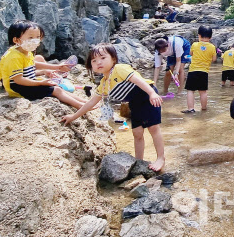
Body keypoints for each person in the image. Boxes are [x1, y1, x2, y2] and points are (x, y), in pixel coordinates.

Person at [62, 43, 165, 171]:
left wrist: (152, 93)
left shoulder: (119, 69)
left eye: (103, 58)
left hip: (147, 95)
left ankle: (160, 158)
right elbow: (90, 103)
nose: (99, 62)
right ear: (91, 65)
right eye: (94, 60)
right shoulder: (104, 84)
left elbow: (139, 81)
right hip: (135, 102)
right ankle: (139, 161)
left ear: (113, 59)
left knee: (153, 128)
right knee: (137, 132)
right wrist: (73, 116)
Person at [0, 20, 86, 108]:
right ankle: (80, 106)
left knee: (56, 87)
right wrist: (40, 83)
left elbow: (33, 64)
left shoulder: (24, 50)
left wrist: (57, 67)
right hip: (18, 88)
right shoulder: (14, 57)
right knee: (56, 90)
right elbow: (18, 80)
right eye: (30, 38)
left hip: (26, 82)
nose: (35, 41)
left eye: (37, 37)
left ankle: (84, 102)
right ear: (16, 40)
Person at [182, 25, 217, 113]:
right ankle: (204, 108)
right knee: (203, 91)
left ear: (199, 35)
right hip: (204, 72)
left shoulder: (195, 44)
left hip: (193, 70)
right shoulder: (212, 47)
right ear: (211, 37)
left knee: (190, 90)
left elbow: (190, 53)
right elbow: (214, 59)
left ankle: (191, 109)